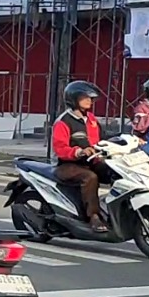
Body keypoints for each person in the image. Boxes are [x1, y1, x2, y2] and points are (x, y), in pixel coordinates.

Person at [52, 80, 113, 232]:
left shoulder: (91, 119)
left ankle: (116, 210)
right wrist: (79, 151)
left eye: (91, 98)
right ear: (73, 99)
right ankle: (94, 216)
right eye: (85, 97)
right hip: (67, 165)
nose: (89, 101)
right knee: (90, 177)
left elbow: (103, 138)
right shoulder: (63, 122)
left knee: (114, 171)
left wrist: (126, 139)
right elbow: (60, 149)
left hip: (91, 161)